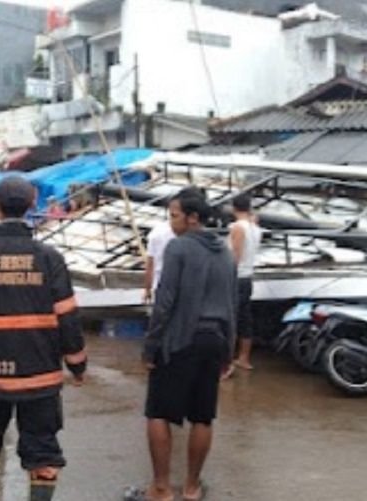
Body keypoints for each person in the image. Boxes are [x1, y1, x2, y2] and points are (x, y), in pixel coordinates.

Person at [0, 177, 87, 501]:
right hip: (38, 375)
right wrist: (77, 364)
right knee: (43, 454)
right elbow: (68, 318)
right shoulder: (49, 257)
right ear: (32, 204)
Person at [127, 187, 237, 501]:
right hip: (215, 340)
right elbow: (234, 305)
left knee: (158, 412)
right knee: (203, 416)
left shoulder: (179, 248)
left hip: (180, 340)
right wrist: (228, 351)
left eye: (174, 216)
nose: (171, 222)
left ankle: (161, 488)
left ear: (192, 218)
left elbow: (165, 301)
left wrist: (150, 346)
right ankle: (191, 487)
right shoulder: (226, 252)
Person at [227, 193, 262, 372]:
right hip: (248, 276)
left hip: (236, 277)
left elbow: (235, 255)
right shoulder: (255, 228)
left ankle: (227, 359)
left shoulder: (237, 228)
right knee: (244, 318)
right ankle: (244, 357)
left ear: (233, 208)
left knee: (230, 318)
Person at [142, 218, 175, 304]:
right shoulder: (184, 233)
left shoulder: (157, 230)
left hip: (159, 285)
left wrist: (147, 289)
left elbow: (150, 264)